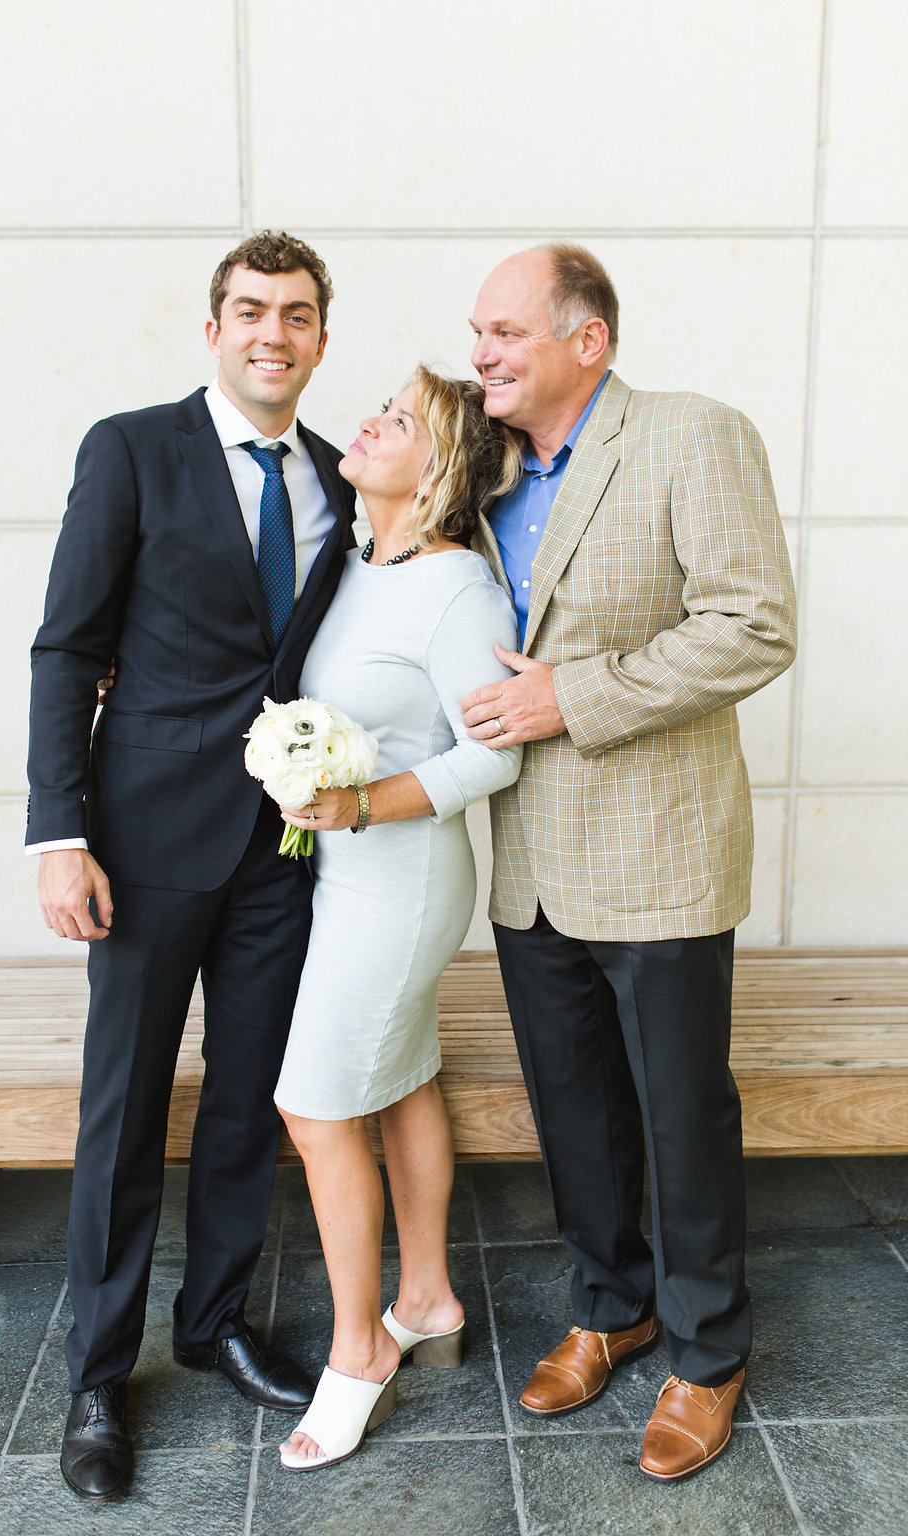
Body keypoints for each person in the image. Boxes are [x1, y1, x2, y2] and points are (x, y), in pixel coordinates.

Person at [26, 231, 357, 1501]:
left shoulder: (338, 477)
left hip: (282, 846)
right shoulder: (130, 449)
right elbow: (68, 647)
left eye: (298, 315)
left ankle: (213, 1319)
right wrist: (62, 835)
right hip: (146, 840)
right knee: (122, 1112)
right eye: (250, 310)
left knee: (245, 1103)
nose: (273, 333)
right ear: (212, 327)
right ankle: (98, 1377)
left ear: (322, 339)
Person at [460, 244, 797, 1481]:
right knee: (576, 1115)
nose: (481, 353)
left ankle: (708, 1356)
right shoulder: (484, 470)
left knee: (680, 1115)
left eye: (504, 332)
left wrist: (575, 699)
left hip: (659, 852)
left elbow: (752, 624)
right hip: (530, 861)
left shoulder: (692, 434)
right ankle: (612, 1308)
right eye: (477, 333)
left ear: (585, 339)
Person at [268, 366, 523, 1471]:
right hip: (346, 875)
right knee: (406, 1074)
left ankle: (358, 1349)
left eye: (399, 420)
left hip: (406, 876)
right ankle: (426, 1299)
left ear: (445, 468)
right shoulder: (363, 562)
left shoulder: (458, 585)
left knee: (316, 1109)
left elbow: (493, 752)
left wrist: (359, 801)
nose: (368, 423)